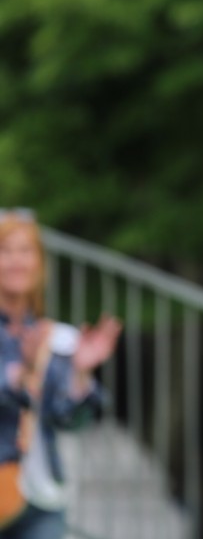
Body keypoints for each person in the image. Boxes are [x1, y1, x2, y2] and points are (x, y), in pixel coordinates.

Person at [0, 211, 122, 539]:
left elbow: (70, 421)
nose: (16, 261)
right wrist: (21, 374)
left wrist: (81, 374)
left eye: (25, 251)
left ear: (40, 263)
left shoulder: (54, 336)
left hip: (41, 496)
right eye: (5, 250)